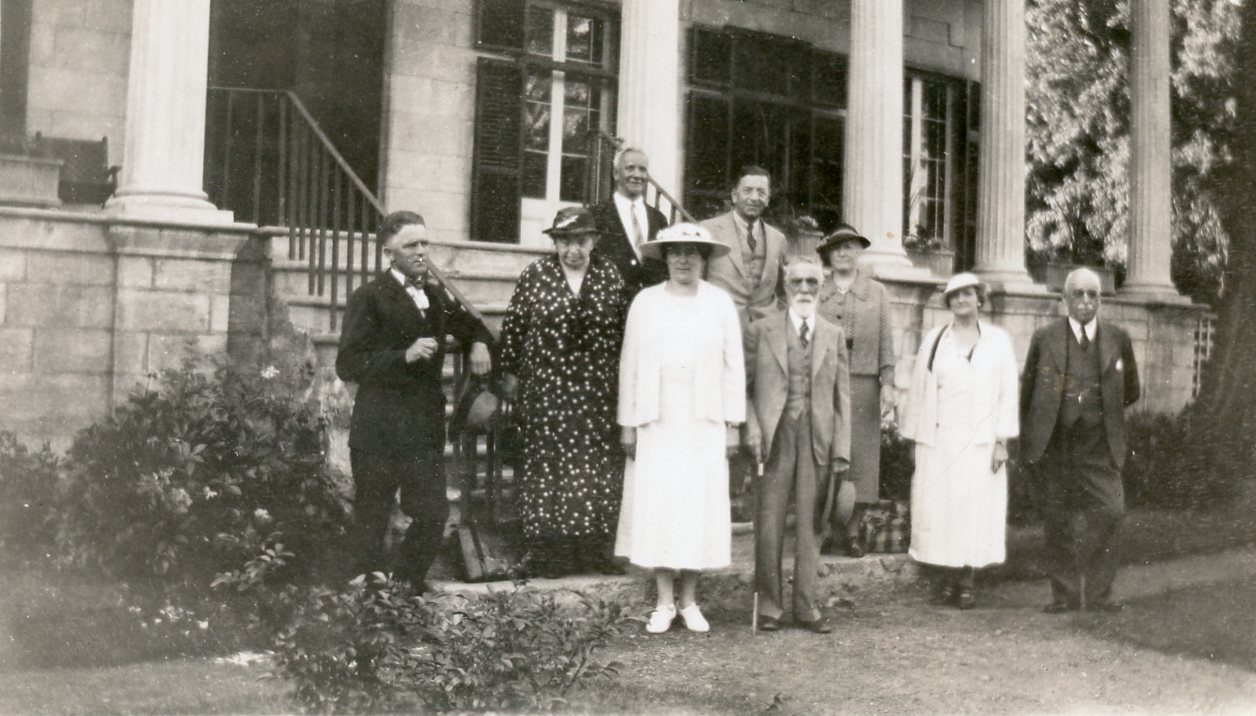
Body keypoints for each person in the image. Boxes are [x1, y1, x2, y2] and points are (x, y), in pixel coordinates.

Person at [335, 210, 493, 589]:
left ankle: (405, 584)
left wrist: (479, 343)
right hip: (379, 426)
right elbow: (348, 362)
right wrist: (402, 355)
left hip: (422, 426)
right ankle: (372, 595)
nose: (421, 252)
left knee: (433, 512)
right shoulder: (369, 297)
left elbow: (469, 323)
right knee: (373, 511)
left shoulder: (435, 295)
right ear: (389, 251)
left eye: (425, 243)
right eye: (411, 245)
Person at [615, 223, 745, 634]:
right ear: (666, 257)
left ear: (704, 259)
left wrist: (732, 424)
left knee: (696, 506)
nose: (684, 260)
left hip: (703, 419)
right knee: (660, 505)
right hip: (658, 418)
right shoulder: (646, 302)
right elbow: (630, 365)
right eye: (675, 252)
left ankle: (690, 600)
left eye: (692, 253)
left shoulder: (720, 303)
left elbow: (732, 366)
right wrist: (629, 423)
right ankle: (664, 601)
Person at [499, 207, 627, 578]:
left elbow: (621, 332)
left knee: (593, 468)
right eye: (565, 241)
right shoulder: (535, 275)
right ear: (555, 242)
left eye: (581, 241)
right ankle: (545, 550)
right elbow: (514, 327)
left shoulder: (609, 275)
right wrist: (509, 373)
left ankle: (591, 549)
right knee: (546, 467)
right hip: (547, 390)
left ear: (594, 242)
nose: (574, 249)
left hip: (595, 391)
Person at [1020, 268, 1140, 613]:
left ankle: (1101, 594)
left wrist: (1101, 416)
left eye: (1093, 295)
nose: (1086, 302)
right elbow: (1028, 392)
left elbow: (1130, 390)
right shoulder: (1045, 338)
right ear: (1065, 299)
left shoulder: (1118, 337)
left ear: (1100, 299)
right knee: (1056, 518)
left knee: (1111, 510)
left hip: (1099, 446)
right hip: (1056, 443)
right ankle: (1065, 595)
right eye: (1079, 294)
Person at [743, 256, 851, 633]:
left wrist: (842, 450)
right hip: (774, 437)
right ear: (784, 287)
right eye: (797, 283)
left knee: (811, 524)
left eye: (812, 283)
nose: (804, 290)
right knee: (769, 522)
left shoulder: (833, 334)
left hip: (817, 437)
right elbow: (743, 388)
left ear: (821, 288)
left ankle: (806, 606)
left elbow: (843, 399)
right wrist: (752, 428)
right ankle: (770, 607)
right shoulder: (761, 330)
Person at [900, 273, 1019, 610]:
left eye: (968, 294)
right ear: (948, 302)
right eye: (955, 295)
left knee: (973, 510)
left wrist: (1001, 441)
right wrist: (914, 439)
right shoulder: (935, 339)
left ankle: (966, 582)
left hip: (980, 443)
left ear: (979, 299)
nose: (962, 300)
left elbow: (1007, 391)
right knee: (941, 510)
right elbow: (919, 390)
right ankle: (946, 580)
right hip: (940, 439)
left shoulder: (997, 340)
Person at [702, 165, 787, 507]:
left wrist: (775, 320)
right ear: (734, 194)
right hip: (720, 332)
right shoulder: (708, 231)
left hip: (763, 336)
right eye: (748, 190)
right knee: (725, 405)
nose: (754, 197)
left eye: (761, 192)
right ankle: (723, 492)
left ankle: (750, 492)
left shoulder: (778, 239)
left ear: (768, 197)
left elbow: (783, 288)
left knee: (760, 407)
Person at [814, 224, 897, 557]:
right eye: (837, 248)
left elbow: (886, 342)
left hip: (863, 383)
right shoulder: (817, 289)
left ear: (859, 252)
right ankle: (821, 530)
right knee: (824, 453)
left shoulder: (876, 292)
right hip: (824, 383)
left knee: (861, 458)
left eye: (850, 247)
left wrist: (888, 384)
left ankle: (851, 533)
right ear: (828, 255)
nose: (843, 253)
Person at [589, 146, 669, 301]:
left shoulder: (659, 219)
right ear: (616, 173)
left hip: (649, 311)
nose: (637, 175)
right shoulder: (596, 216)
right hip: (609, 309)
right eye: (630, 168)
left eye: (642, 169)